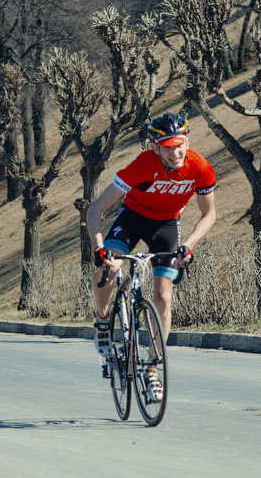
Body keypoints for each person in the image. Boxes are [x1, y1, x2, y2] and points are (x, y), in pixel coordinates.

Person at [85, 112, 217, 401]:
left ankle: (153, 369)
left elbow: (209, 214)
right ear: (155, 147)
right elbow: (96, 208)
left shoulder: (200, 167)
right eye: (167, 147)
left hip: (166, 226)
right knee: (109, 269)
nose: (175, 153)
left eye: (179, 145)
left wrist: (189, 245)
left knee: (163, 297)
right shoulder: (142, 166)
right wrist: (98, 247)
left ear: (187, 142)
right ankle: (103, 320)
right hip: (132, 219)